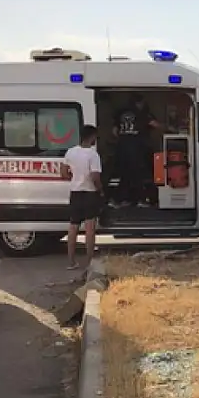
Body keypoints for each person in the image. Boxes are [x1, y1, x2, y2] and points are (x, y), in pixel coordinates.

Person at [60, 125, 103, 271]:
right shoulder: (93, 155)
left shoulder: (70, 152)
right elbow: (95, 176)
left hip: (75, 193)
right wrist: (100, 190)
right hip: (89, 193)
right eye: (95, 138)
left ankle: (71, 262)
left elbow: (64, 173)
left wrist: (74, 178)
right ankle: (89, 262)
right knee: (90, 229)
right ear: (91, 137)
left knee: (73, 227)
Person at [111, 94, 159, 208]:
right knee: (139, 175)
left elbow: (114, 131)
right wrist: (169, 128)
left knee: (126, 175)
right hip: (136, 148)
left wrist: (124, 138)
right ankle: (140, 199)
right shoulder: (142, 113)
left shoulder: (121, 113)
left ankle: (120, 199)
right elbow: (154, 124)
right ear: (140, 102)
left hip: (122, 148)